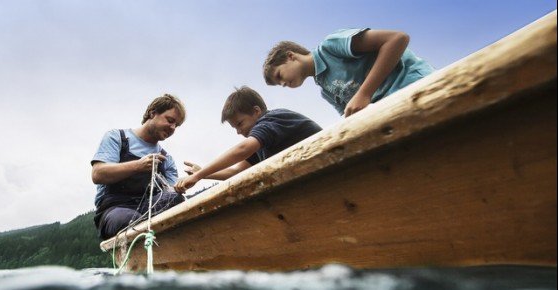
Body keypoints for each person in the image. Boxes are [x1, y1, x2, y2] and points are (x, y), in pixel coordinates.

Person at [174, 86, 321, 192]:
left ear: (256, 111)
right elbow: (238, 171)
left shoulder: (272, 119)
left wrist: (200, 174)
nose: (238, 131)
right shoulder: (263, 142)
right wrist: (204, 174)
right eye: (235, 128)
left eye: (240, 123)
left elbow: (243, 149)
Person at [263, 29, 434, 117]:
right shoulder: (326, 91)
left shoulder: (330, 46)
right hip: (393, 112)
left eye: (279, 76)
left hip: (418, 89)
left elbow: (397, 38)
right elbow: (351, 116)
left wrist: (364, 93)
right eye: (280, 85)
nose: (283, 84)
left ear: (291, 56)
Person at [91, 94, 187, 240]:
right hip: (114, 210)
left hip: (150, 209)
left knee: (177, 198)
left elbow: (171, 192)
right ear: (152, 113)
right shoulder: (116, 138)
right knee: (131, 219)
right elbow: (98, 174)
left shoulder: (166, 158)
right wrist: (138, 166)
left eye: (177, 125)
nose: (173, 128)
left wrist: (185, 183)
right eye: (170, 120)